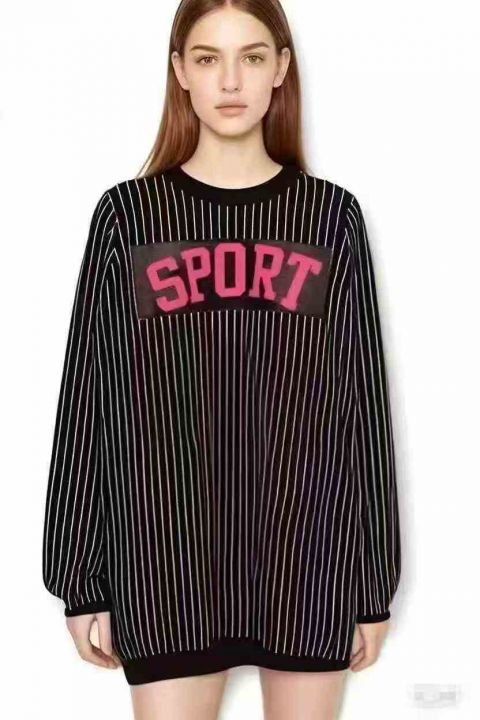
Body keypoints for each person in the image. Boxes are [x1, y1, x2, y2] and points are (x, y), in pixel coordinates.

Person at [41, 0, 402, 717]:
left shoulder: (330, 217)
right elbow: (89, 392)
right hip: (164, 561)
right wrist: (78, 577)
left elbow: (361, 400)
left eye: (252, 57)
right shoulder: (128, 217)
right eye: (208, 59)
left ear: (281, 69)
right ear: (180, 71)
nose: (230, 81)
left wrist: (371, 583)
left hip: (307, 561)